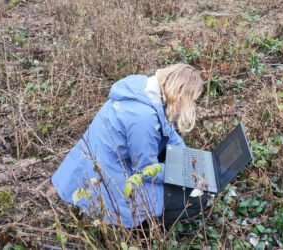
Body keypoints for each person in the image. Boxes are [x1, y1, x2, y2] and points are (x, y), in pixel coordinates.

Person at [52, 64, 208, 228]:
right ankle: (142, 229)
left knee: (171, 160)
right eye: (191, 101)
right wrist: (181, 174)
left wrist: (189, 158)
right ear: (179, 95)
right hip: (110, 184)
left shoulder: (143, 88)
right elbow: (146, 171)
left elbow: (167, 129)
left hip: (94, 166)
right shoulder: (143, 119)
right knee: (199, 201)